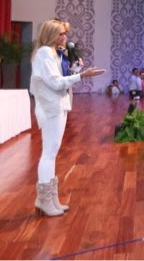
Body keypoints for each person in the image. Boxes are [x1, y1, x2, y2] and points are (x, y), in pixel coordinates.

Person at [31, 19, 105, 216]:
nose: (65, 37)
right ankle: (44, 199)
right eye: (61, 34)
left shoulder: (52, 53)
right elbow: (56, 83)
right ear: (51, 35)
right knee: (48, 153)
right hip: (51, 106)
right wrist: (83, 76)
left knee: (52, 153)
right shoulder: (45, 53)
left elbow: (60, 80)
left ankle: (50, 198)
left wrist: (78, 71)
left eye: (64, 34)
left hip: (57, 105)